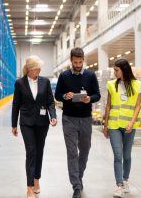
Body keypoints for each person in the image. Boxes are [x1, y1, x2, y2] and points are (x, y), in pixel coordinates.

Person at [55, 47, 101, 198]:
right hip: (69, 118)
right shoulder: (64, 76)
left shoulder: (90, 75)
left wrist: (89, 99)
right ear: (71, 60)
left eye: (80, 62)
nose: (78, 65)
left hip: (86, 118)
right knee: (72, 152)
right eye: (75, 62)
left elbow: (97, 95)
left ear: (83, 60)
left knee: (85, 150)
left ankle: (78, 177)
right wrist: (65, 96)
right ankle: (76, 186)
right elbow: (57, 95)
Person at [11, 55, 57, 198]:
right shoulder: (20, 83)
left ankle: (37, 180)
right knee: (31, 151)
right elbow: (16, 104)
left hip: (42, 122)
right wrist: (14, 124)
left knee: (39, 151)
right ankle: (29, 186)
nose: (39, 70)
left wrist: (53, 116)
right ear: (30, 70)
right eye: (37, 68)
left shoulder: (45, 82)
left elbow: (50, 101)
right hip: (26, 122)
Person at [103, 59, 141, 198]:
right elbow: (108, 105)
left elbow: (138, 105)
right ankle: (119, 185)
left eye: (116, 70)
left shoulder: (137, 85)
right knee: (117, 156)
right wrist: (105, 124)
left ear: (124, 70)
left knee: (126, 156)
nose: (114, 72)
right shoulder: (111, 85)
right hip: (114, 125)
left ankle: (125, 180)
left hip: (129, 126)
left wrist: (131, 123)